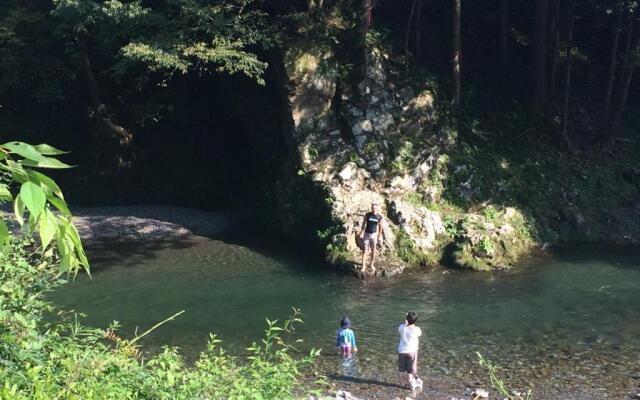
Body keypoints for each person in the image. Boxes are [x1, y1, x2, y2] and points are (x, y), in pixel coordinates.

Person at [398, 312, 423, 390]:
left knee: (401, 369)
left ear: (406, 320)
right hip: (412, 351)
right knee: (410, 371)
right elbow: (419, 334)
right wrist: (410, 322)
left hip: (402, 351)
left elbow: (401, 328)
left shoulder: (402, 327)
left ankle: (401, 384)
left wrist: (406, 323)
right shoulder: (417, 329)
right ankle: (408, 385)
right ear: (415, 321)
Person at [359, 202, 384, 274]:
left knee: (373, 250)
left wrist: (379, 235)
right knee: (364, 250)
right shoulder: (367, 215)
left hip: (374, 235)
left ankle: (371, 264)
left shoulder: (379, 217)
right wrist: (361, 232)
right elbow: (364, 223)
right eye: (373, 208)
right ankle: (363, 266)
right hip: (366, 234)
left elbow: (380, 226)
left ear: (377, 208)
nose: (374, 209)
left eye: (375, 208)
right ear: (371, 208)